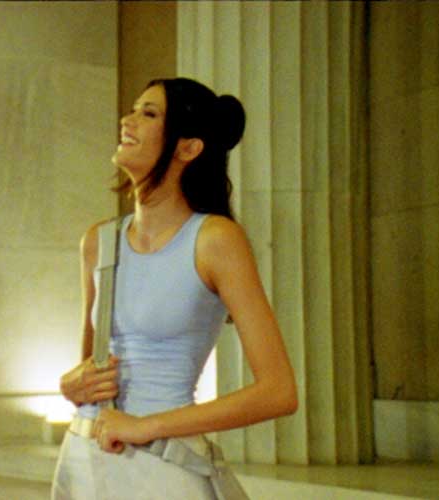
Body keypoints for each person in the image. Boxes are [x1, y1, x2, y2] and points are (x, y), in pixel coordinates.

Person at [51, 78, 298, 499]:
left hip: (163, 465)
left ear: (189, 148)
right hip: (84, 460)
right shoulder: (98, 241)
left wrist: (146, 426)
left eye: (148, 113)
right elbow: (91, 370)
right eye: (133, 109)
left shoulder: (215, 239)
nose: (127, 120)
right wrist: (70, 386)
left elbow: (279, 392)